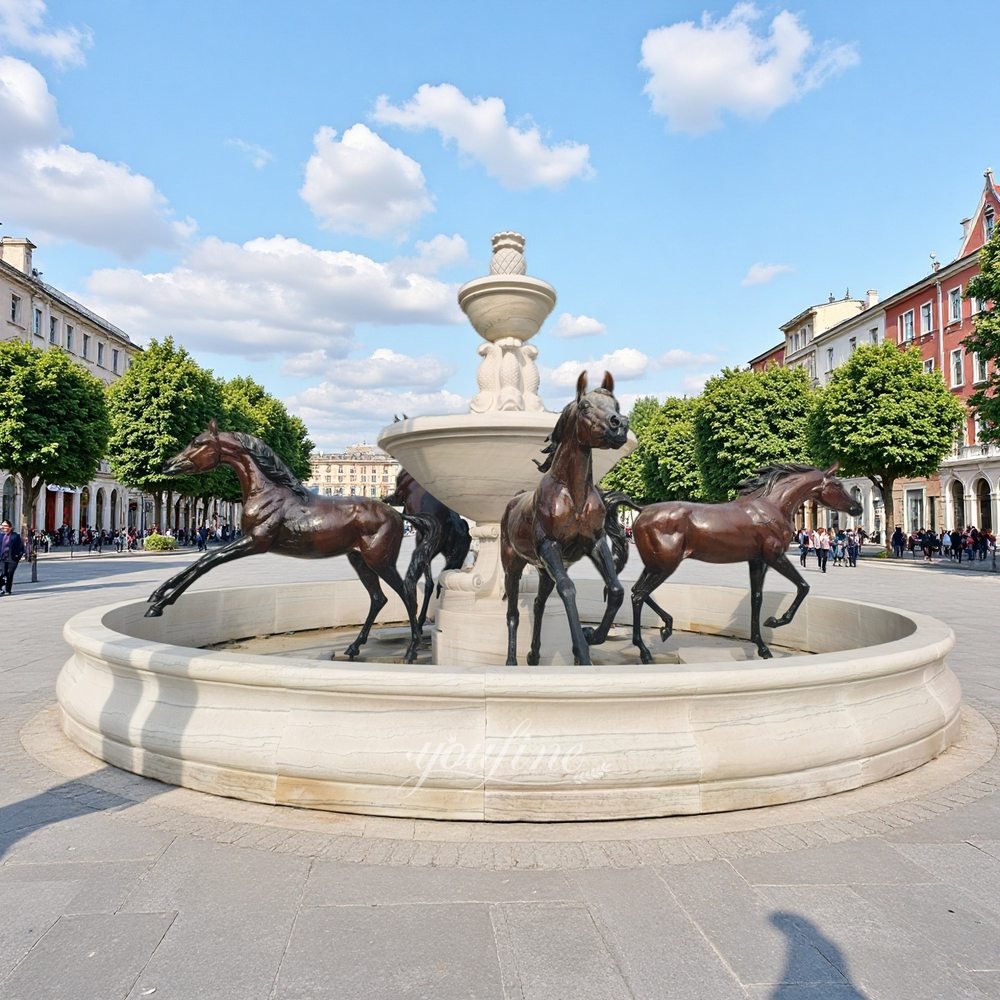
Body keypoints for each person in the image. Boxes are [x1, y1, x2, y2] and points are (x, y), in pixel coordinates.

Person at [0, 519, 25, 596]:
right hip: (2, 558)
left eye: (5, 526)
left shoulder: (15, 536)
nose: (4, 527)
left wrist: (18, 556)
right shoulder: (1, 535)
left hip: (12, 559)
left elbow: (20, 547)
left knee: (10, 574)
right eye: (2, 525)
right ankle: (0, 588)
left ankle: (8, 589)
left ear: (10, 527)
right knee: (2, 573)